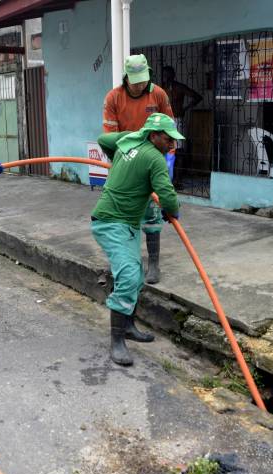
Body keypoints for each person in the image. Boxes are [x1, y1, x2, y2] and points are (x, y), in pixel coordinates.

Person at [92, 113, 182, 366]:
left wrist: (121, 157)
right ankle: (116, 341)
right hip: (111, 222)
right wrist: (172, 210)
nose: (171, 145)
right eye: (167, 139)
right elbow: (166, 193)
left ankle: (129, 326)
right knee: (130, 275)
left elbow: (103, 139)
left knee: (136, 275)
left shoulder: (129, 142)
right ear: (153, 136)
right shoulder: (155, 157)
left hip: (127, 224)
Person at [103, 54, 174, 285]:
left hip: (152, 159)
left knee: (153, 212)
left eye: (143, 79)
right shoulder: (114, 98)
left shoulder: (158, 94)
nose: (139, 85)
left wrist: (168, 160)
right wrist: (123, 164)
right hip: (126, 157)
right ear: (126, 77)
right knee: (121, 214)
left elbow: (168, 129)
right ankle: (124, 260)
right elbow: (110, 138)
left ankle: (153, 263)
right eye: (135, 80)